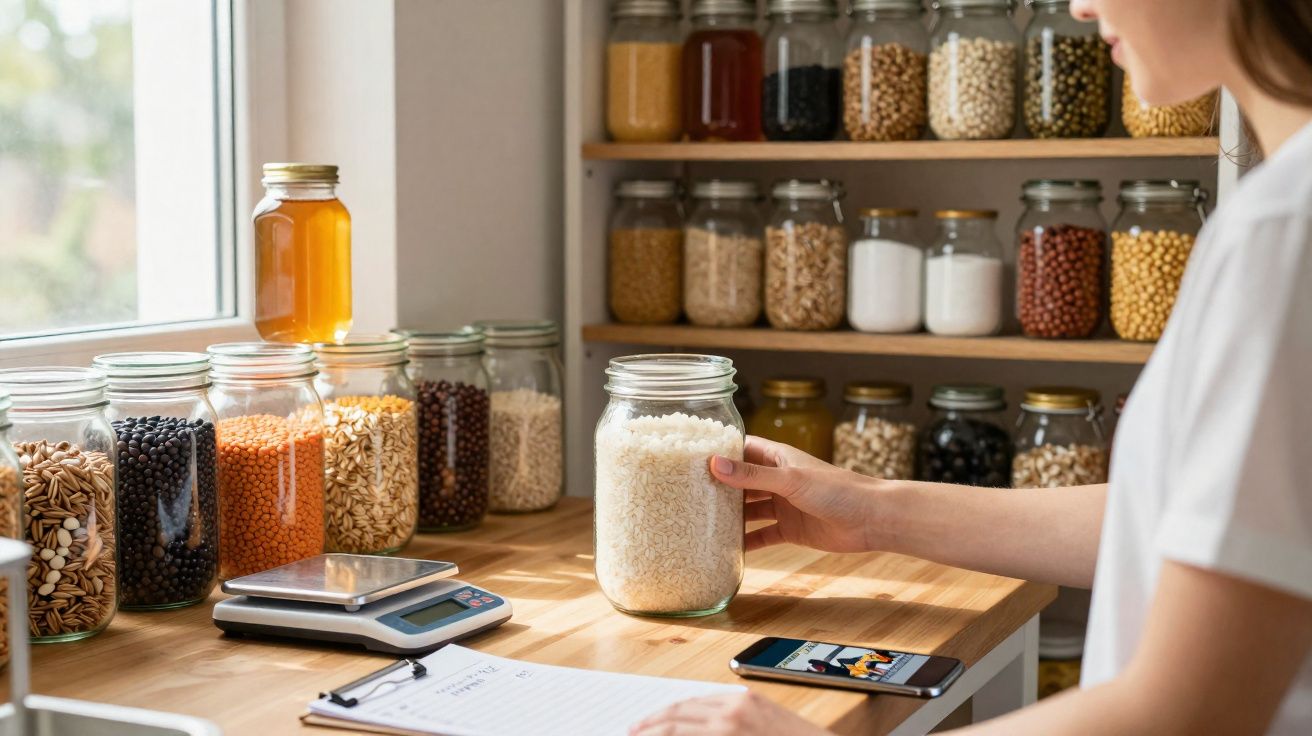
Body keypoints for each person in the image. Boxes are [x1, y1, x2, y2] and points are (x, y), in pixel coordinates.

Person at [632, 0, 1312, 733]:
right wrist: (872, 508)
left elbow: (1192, 711)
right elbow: (1184, 520)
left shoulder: (1282, 232)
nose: (1079, 6)